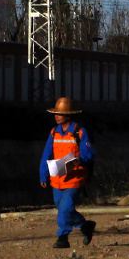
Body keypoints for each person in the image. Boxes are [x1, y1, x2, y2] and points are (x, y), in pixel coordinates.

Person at [39, 97, 96, 248]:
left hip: (74, 178)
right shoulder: (53, 133)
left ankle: (62, 237)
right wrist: (43, 174)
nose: (56, 116)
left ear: (68, 115)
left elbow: (89, 154)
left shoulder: (80, 132)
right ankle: (85, 226)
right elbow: (46, 154)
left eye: (59, 113)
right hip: (57, 178)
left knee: (65, 208)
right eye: (55, 113)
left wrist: (79, 160)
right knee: (63, 208)